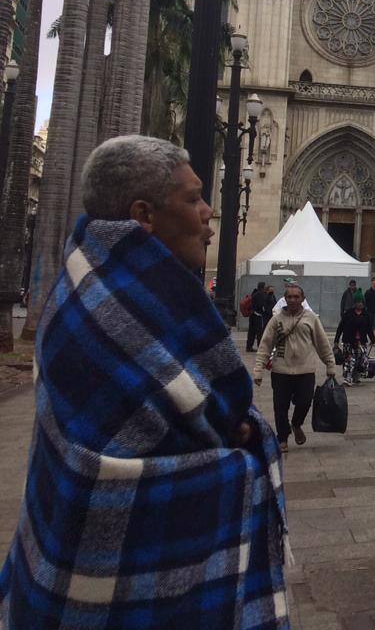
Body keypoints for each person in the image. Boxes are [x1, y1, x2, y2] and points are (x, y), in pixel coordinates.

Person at [0, 136, 290, 626]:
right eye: (195, 198)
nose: (208, 214)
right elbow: (213, 412)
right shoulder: (112, 301)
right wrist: (236, 441)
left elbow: (199, 401)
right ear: (144, 215)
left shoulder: (92, 282)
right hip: (116, 584)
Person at [254, 283, 337, 449]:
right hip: (281, 370)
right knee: (280, 406)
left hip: (305, 370)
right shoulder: (276, 319)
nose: (292, 300)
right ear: (284, 299)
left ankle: (297, 423)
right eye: (289, 297)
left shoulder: (311, 318)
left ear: (303, 299)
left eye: (296, 297)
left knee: (305, 401)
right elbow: (265, 345)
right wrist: (258, 370)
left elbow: (322, 343)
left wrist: (330, 365)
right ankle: (282, 437)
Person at [335, 298, 375, 386]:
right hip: (349, 341)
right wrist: (336, 340)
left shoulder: (366, 315)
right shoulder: (348, 314)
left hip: (361, 341)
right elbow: (340, 327)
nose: (360, 304)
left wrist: (373, 340)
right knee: (349, 360)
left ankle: (356, 376)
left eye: (361, 303)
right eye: (358, 302)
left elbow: (369, 328)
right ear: (354, 304)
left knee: (360, 360)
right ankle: (348, 378)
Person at [246, 280, 272, 352]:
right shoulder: (261, 294)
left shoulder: (254, 293)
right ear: (263, 287)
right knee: (260, 332)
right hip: (259, 316)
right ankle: (260, 348)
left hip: (252, 315)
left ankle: (249, 347)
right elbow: (262, 306)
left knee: (251, 332)